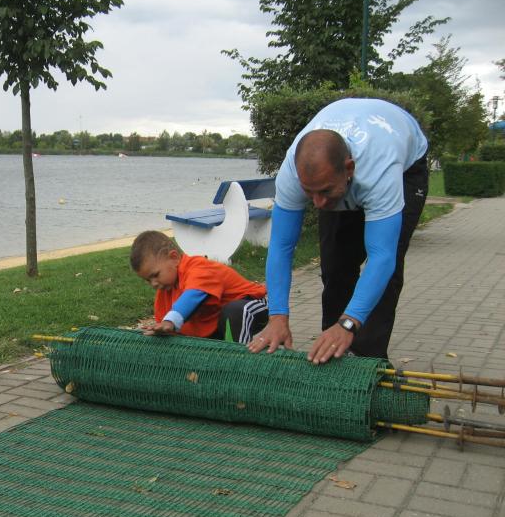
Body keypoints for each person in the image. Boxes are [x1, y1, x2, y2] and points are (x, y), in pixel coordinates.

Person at [247, 97, 428, 363]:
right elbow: (281, 247)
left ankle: (367, 360)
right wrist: (277, 317)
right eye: (310, 193)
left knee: (386, 271)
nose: (318, 203)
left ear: (348, 169)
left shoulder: (380, 170)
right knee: (335, 264)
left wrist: (349, 322)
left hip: (406, 167)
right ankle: (331, 350)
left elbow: (382, 256)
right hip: (343, 168)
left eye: (325, 191)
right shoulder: (292, 174)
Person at [130, 230, 268, 343]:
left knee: (235, 312)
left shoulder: (198, 268)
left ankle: (240, 360)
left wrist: (170, 321)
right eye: (148, 280)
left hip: (252, 305)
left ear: (174, 258)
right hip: (219, 320)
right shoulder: (165, 291)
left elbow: (193, 295)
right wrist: (161, 330)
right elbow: (166, 326)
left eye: (156, 275)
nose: (153, 283)